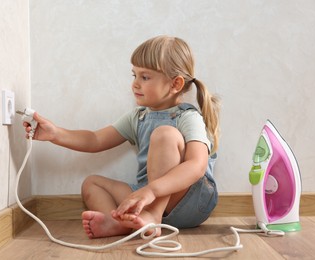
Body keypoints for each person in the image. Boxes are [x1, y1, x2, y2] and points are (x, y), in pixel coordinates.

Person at [23, 35, 220, 239]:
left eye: (145, 77)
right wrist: (56, 133)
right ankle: (118, 222)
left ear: (175, 84)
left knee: (165, 134)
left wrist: (153, 191)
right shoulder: (138, 116)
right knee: (92, 184)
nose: (135, 84)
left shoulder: (188, 117)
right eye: (134, 75)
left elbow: (197, 166)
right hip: (147, 199)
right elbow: (95, 139)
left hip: (189, 201)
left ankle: (153, 216)